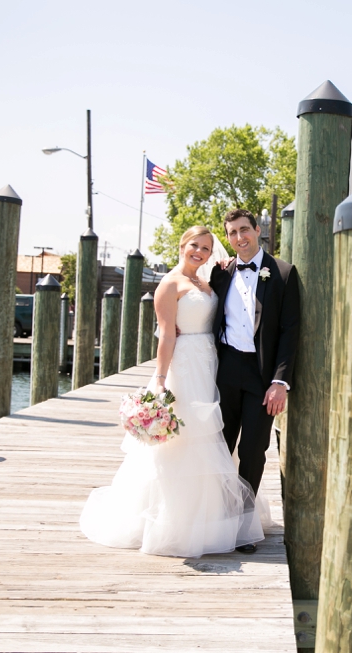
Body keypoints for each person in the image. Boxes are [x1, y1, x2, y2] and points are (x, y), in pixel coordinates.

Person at [79, 225, 263, 558]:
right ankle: (177, 522)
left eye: (207, 248)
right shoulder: (170, 284)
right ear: (182, 246)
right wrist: (160, 379)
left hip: (210, 364)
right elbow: (165, 336)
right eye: (195, 245)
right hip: (183, 366)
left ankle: (211, 519)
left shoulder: (205, 282)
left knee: (210, 436)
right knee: (182, 439)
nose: (201, 252)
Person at [210, 208, 300, 555]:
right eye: (232, 233)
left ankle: (244, 525)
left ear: (258, 230)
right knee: (219, 447)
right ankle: (219, 519)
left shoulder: (283, 274)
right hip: (226, 371)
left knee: (252, 450)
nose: (239, 238)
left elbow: (290, 332)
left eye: (244, 230)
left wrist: (281, 382)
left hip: (263, 378)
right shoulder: (221, 274)